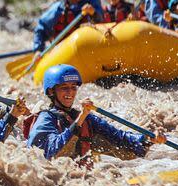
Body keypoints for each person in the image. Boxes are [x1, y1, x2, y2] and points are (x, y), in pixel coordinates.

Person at [26, 65, 165, 162]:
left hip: (81, 178)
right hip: (59, 181)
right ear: (51, 92)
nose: (70, 93)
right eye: (64, 88)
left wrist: (149, 139)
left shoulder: (85, 117)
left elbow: (119, 137)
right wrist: (80, 119)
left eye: (73, 88)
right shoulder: (46, 119)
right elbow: (51, 152)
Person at [33, 0, 103, 52]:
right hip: (63, 51)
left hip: (88, 49)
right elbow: (41, 27)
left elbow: (102, 20)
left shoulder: (92, 4)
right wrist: (38, 49)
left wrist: (94, 13)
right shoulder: (58, 9)